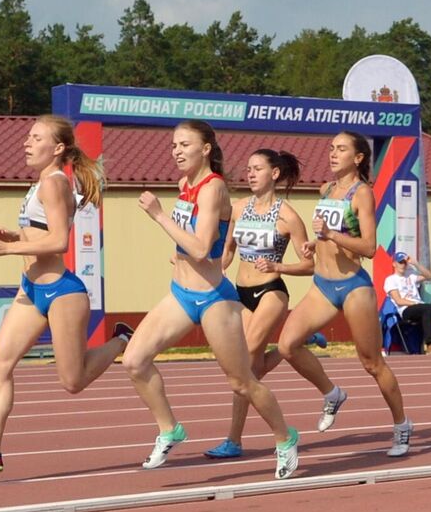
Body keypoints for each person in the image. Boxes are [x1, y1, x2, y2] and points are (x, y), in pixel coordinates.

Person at [0, 115, 133, 476]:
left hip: (61, 292)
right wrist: (16, 240)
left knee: (73, 382)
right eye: (27, 136)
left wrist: (8, 250)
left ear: (58, 148)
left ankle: (122, 340)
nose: (26, 142)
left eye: (36, 138)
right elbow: (42, 238)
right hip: (32, 289)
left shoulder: (54, 183)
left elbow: (59, 241)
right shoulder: (38, 184)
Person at [120, 120, 299, 477]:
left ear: (205, 149)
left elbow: (202, 248)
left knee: (242, 382)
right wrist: (182, 250)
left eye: (184, 144)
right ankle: (170, 429)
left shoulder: (213, 187)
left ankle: (285, 437)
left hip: (214, 298)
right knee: (134, 361)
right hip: (181, 294)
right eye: (173, 145)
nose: (176, 151)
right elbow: (199, 238)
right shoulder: (184, 184)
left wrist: (158, 215)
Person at [277, 131, 414, 458]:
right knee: (287, 345)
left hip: (353, 286)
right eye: (331, 148)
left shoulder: (362, 193)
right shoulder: (325, 190)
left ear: (358, 158)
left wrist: (331, 235)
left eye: (341, 149)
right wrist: (316, 242)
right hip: (322, 286)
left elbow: (368, 247)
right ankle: (332, 392)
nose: (333, 154)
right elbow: (325, 236)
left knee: (371, 363)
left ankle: (402, 425)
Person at [204, 149, 346, 460]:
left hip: (272, 292)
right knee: (249, 372)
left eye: (257, 168)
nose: (250, 173)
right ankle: (235, 440)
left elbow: (310, 266)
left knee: (242, 363)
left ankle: (235, 439)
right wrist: (212, 268)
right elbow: (227, 250)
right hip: (239, 294)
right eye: (248, 168)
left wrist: (278, 267)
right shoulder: (238, 208)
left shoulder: (288, 217)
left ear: (275, 174)